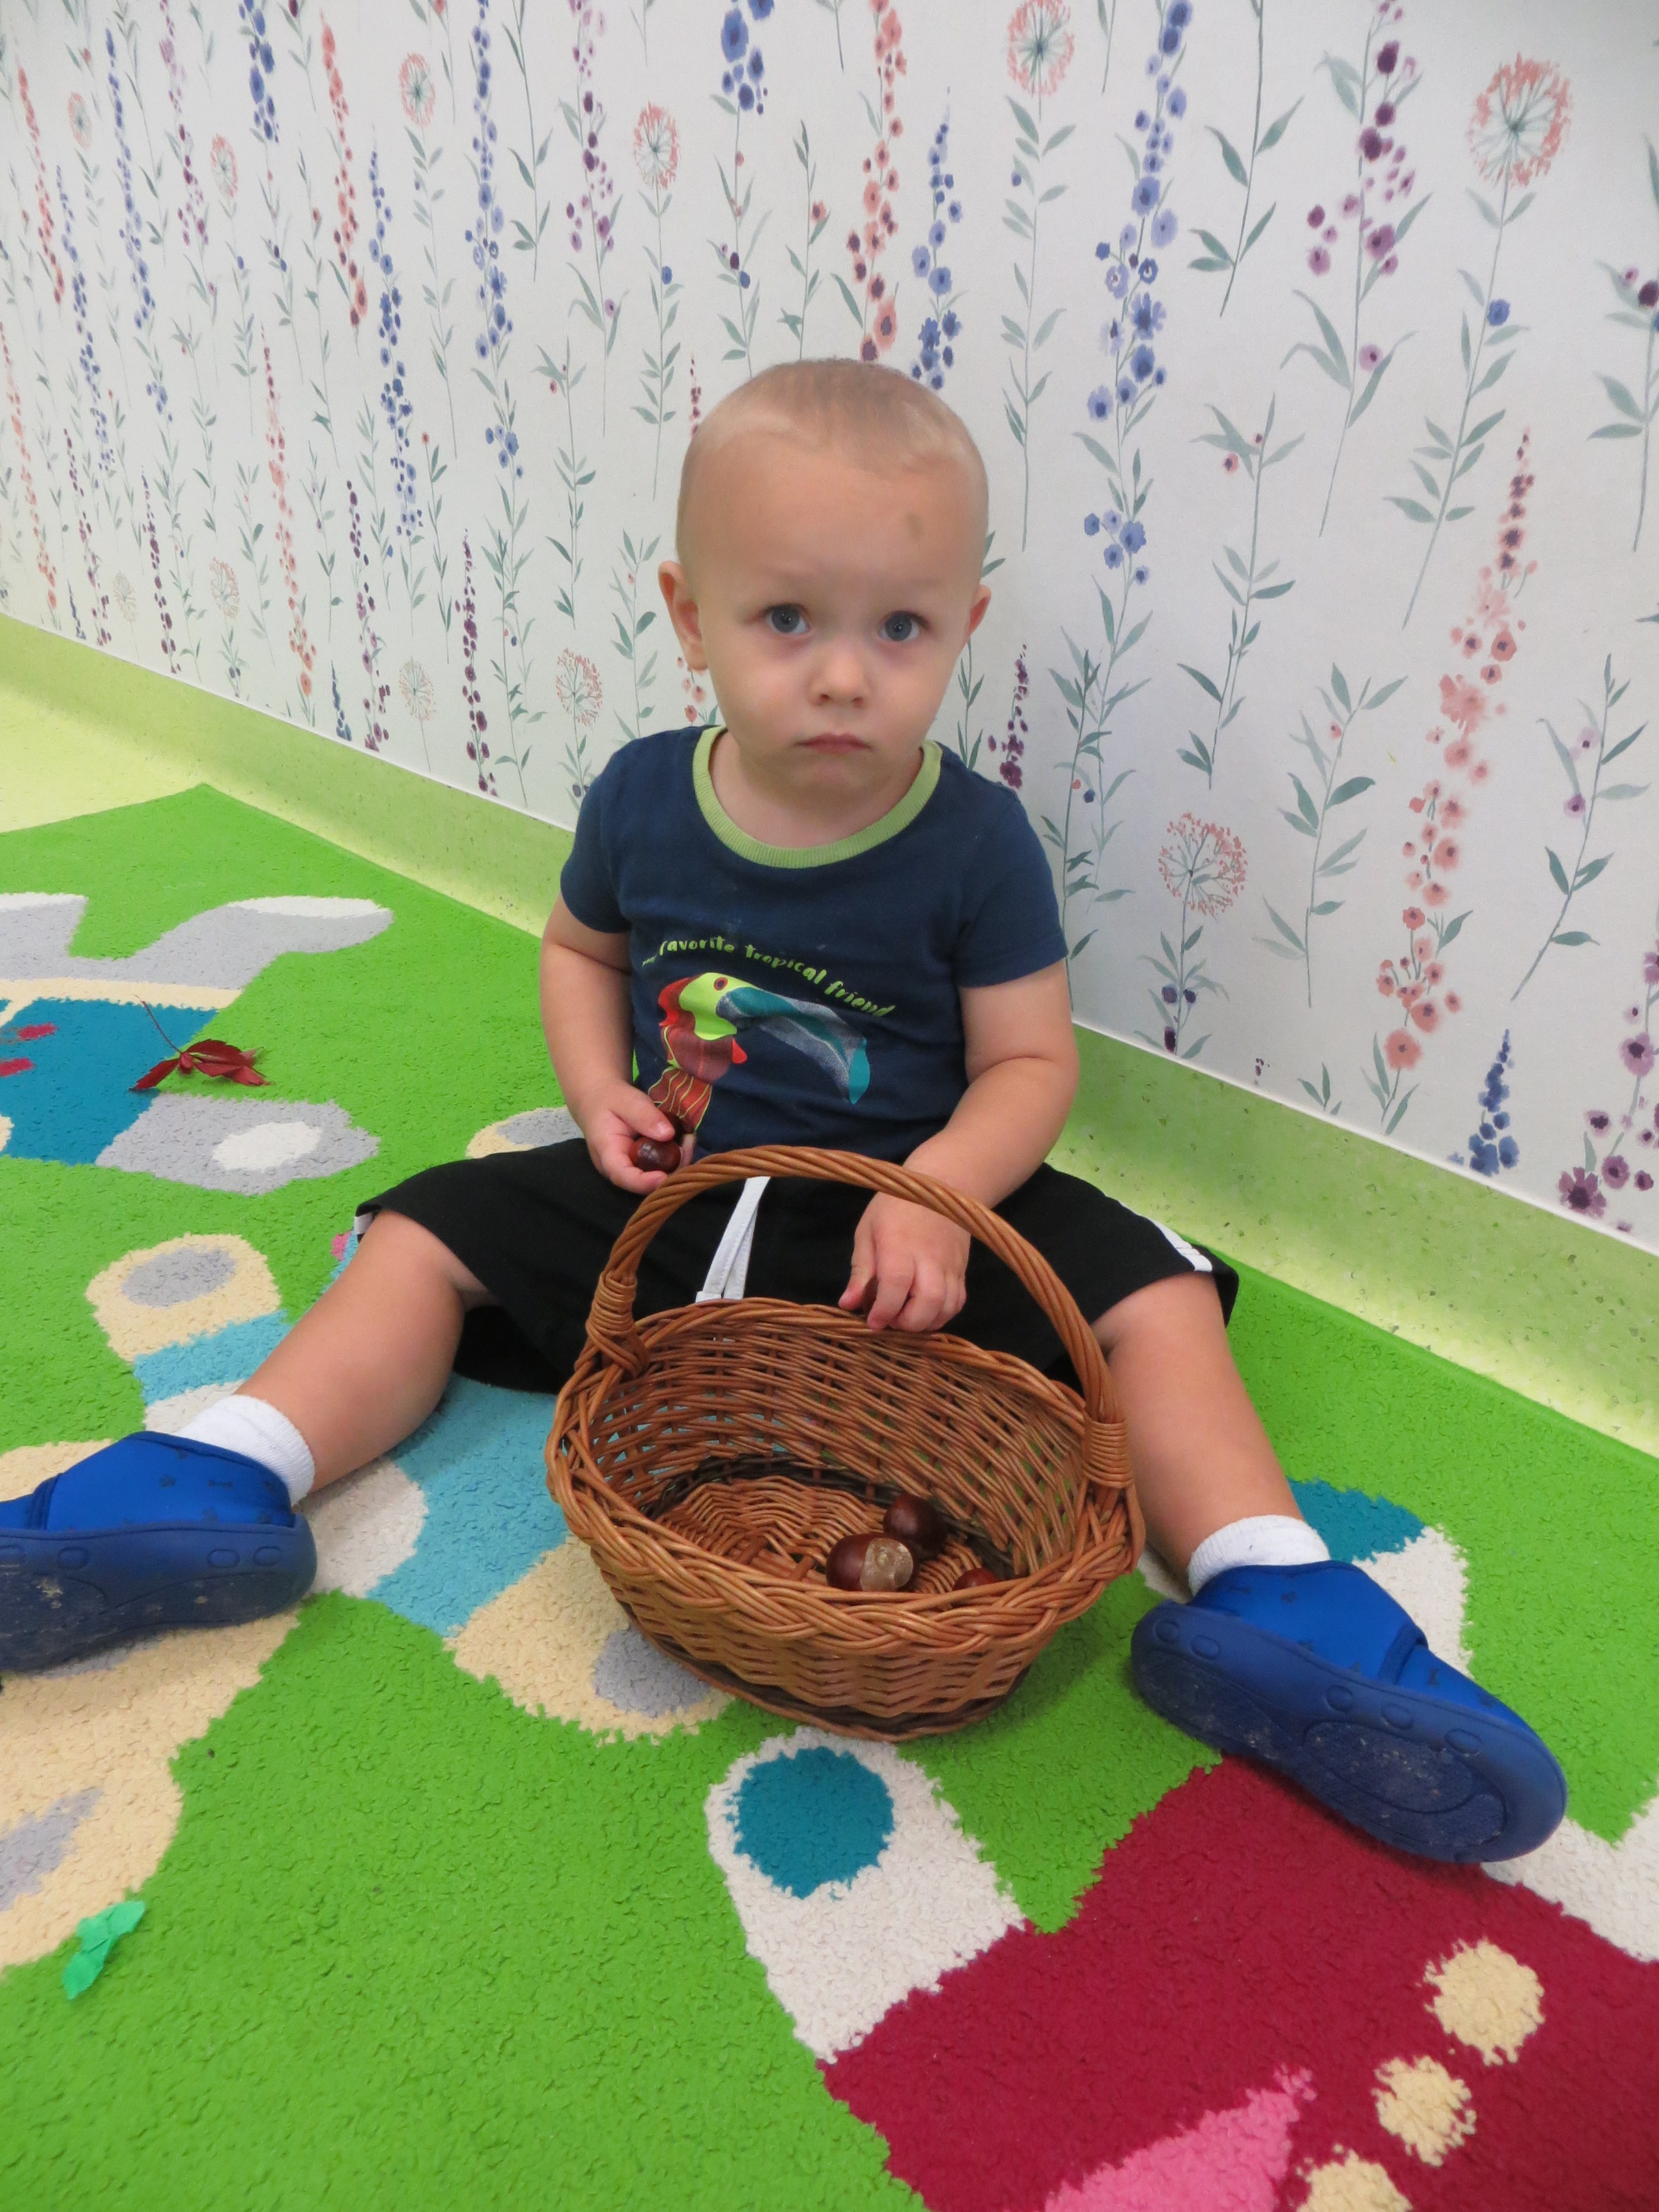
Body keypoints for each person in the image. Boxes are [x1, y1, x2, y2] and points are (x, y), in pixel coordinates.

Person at [0, 361, 1565, 1866]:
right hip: (681, 1198)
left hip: (914, 1218)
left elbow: (1030, 1067)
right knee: (423, 1230)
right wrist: (595, 1095)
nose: (842, 673)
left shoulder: (976, 844)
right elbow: (578, 949)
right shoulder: (640, 796)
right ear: (692, 615)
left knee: (1154, 1290)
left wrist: (940, 1194)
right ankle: (228, 1466)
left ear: (965, 627)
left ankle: (1274, 1593)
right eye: (787, 619)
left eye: (901, 626)